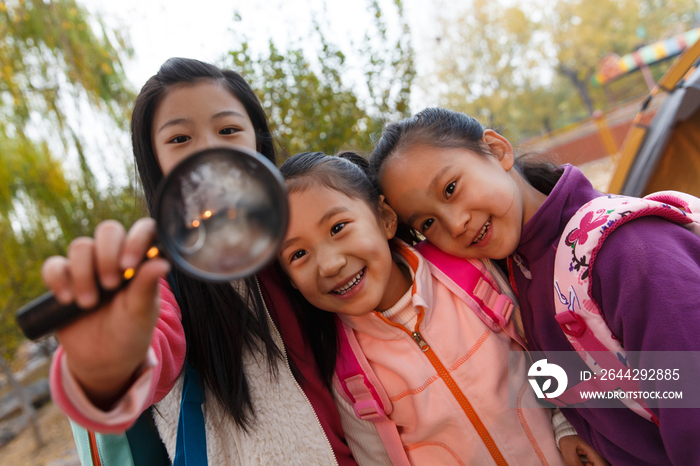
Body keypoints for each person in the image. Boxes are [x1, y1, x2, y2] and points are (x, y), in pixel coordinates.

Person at [41, 57, 386, 465]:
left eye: (228, 130)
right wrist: (109, 361)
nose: (208, 149)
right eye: (179, 139)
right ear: (157, 164)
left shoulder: (299, 246)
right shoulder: (157, 281)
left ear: (258, 142)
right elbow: (143, 357)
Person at [367, 107, 700, 466]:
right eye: (428, 222)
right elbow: (586, 382)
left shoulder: (626, 251)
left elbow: (689, 401)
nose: (456, 223)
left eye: (451, 188)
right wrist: (570, 429)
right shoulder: (513, 278)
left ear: (497, 150)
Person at [275, 150, 596, 465]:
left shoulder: (470, 272)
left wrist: (565, 427)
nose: (329, 265)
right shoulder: (348, 372)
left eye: (337, 228)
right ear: (289, 279)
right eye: (298, 255)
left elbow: (540, 349)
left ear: (384, 218)